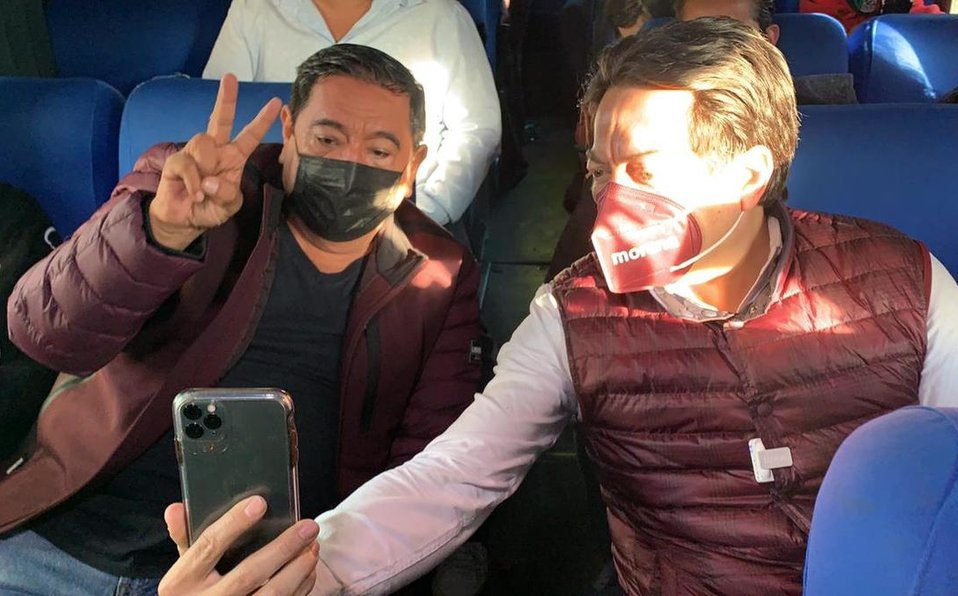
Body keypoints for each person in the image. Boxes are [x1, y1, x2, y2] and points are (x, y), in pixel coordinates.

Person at [165, 18, 958, 595]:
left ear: (748, 174)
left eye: (646, 169)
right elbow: (455, 475)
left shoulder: (905, 280)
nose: (612, 200)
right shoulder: (574, 314)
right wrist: (310, 570)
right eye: (603, 170)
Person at [0, 44, 484, 593]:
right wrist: (161, 233)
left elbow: (429, 462)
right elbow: (47, 333)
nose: (349, 164)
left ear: (412, 164)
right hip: (69, 540)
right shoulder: (193, 186)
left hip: (262, 570)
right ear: (289, 129)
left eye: (379, 150)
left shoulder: (438, 274)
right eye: (327, 140)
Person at [550, 0, 857, 279]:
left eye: (731, 35)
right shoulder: (624, 158)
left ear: (770, 39)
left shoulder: (842, 126)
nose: (711, 50)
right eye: (694, 36)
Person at [202, 0, 501, 233]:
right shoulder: (256, 9)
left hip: (401, 217)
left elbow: (476, 129)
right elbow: (220, 115)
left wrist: (427, 210)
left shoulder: (441, 16)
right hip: (273, 216)